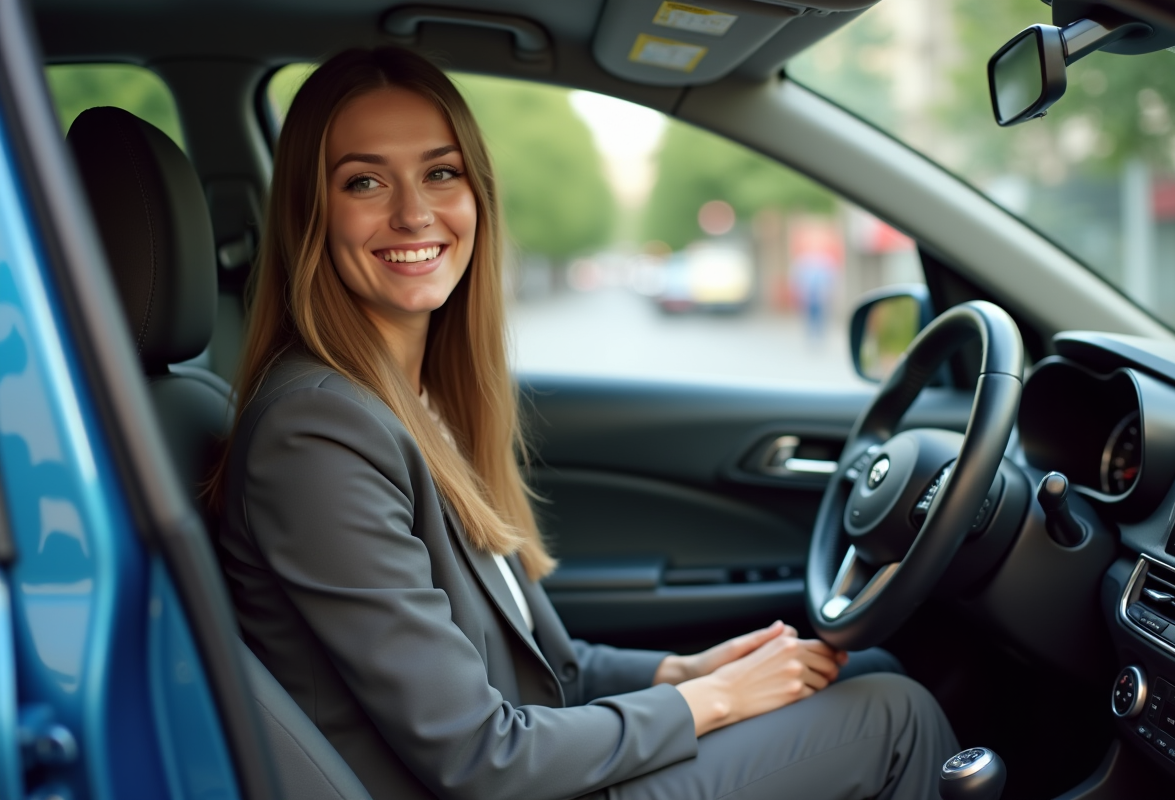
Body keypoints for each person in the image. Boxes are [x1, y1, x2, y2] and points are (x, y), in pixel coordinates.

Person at [214, 46, 959, 800]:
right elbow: (481, 757)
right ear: (311, 210)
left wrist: (684, 672)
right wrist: (717, 700)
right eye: (365, 181)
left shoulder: (413, 401)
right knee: (891, 715)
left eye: (441, 173)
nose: (415, 213)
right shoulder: (315, 434)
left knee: (868, 674)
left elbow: (542, 670)